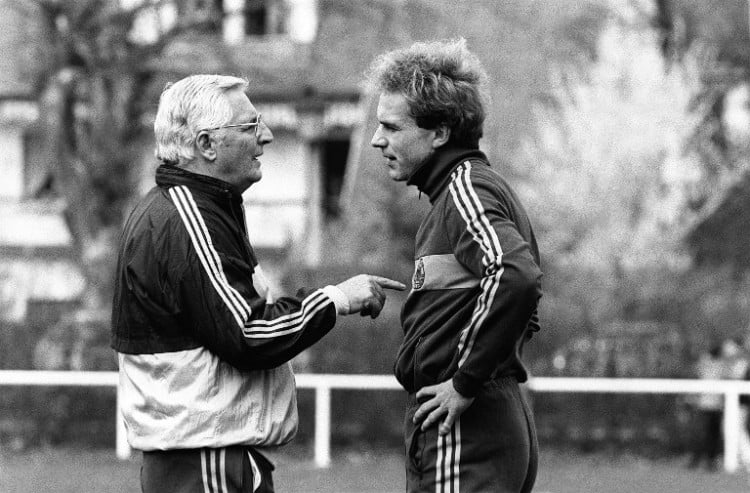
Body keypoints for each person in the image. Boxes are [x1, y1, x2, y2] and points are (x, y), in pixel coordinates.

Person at [111, 74, 405, 493]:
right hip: (206, 460)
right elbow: (249, 334)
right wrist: (336, 298)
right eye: (250, 126)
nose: (265, 136)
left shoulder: (194, 209)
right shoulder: (189, 218)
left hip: (203, 458)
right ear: (207, 144)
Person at [367, 39, 543, 492]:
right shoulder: (463, 193)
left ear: (440, 133)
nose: (377, 139)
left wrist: (463, 383)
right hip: (485, 420)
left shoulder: (466, 191)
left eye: (391, 127)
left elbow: (514, 276)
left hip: (466, 426)